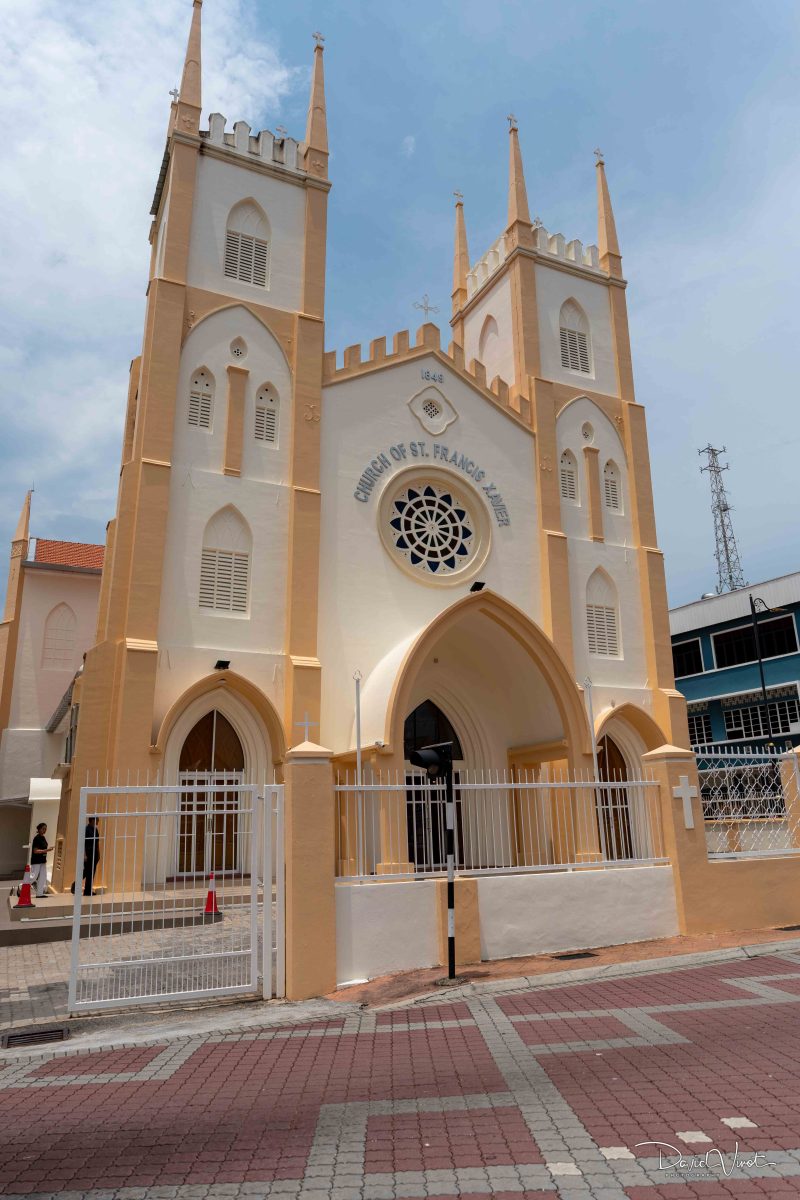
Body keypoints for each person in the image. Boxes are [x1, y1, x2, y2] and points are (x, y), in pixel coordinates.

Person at [29, 823, 50, 898]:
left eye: (45, 829)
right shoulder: (37, 838)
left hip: (43, 861)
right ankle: (21, 887)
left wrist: (46, 852)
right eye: (43, 828)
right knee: (34, 876)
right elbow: (35, 851)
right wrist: (46, 850)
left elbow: (43, 848)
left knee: (43, 877)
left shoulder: (43, 838)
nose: (45, 830)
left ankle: (39, 894)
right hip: (36, 861)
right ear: (39, 829)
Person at [83, 817, 100, 896]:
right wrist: (84, 855)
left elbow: (97, 843)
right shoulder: (86, 829)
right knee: (87, 872)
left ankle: (88, 891)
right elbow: (83, 842)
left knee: (91, 873)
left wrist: (98, 853)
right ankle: (75, 885)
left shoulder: (95, 830)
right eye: (97, 820)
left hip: (94, 854)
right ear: (93, 820)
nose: (98, 821)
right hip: (88, 854)